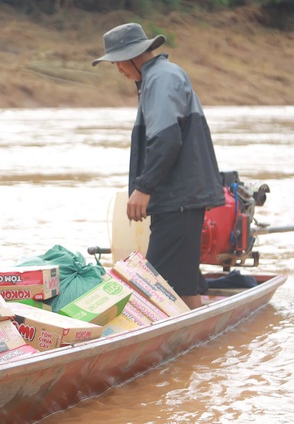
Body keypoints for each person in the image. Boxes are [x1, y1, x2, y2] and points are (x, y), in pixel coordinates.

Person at [92, 23, 225, 310]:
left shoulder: (161, 78)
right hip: (178, 198)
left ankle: (189, 335)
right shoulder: (158, 77)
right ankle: (201, 330)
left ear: (131, 56)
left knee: (157, 285)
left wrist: (144, 188)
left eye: (117, 63)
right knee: (181, 283)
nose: (119, 70)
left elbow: (166, 139)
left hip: (179, 198)